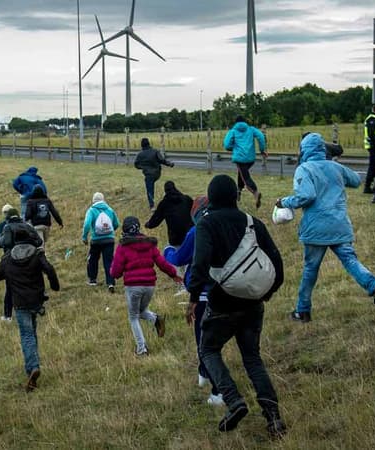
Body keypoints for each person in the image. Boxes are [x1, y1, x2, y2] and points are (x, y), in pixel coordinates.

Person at [187, 174, 285, 435]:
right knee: (253, 358)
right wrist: (269, 292)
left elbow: (199, 265)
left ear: (211, 197)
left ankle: (233, 400)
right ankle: (273, 417)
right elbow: (276, 261)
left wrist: (194, 297)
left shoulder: (206, 224)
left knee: (208, 350)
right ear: (235, 195)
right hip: (253, 303)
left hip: (221, 303)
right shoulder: (254, 222)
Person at [277, 133, 375, 322]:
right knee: (350, 261)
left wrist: (284, 202)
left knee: (310, 269)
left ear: (303, 150)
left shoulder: (304, 169)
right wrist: (335, 171)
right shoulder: (336, 167)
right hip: (339, 225)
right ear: (322, 149)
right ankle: (374, 286)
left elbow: (306, 196)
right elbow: (356, 180)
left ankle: (302, 310)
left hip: (316, 228)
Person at [164, 196, 225, 406]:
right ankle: (203, 372)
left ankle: (219, 392)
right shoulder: (225, 226)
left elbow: (180, 258)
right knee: (213, 338)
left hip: (201, 293)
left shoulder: (197, 231)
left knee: (204, 340)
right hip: (226, 290)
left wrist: (167, 252)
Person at [0, 234, 60, 392]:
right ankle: (32, 364)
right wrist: (55, 285)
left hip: (20, 302)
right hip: (36, 299)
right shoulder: (37, 254)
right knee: (32, 331)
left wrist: (8, 270)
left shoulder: (9, 258)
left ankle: (32, 367)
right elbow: (49, 268)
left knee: (27, 334)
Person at [110, 216, 180, 356]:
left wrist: (113, 273)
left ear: (124, 229)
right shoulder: (149, 244)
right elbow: (161, 263)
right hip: (150, 285)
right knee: (141, 311)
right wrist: (173, 274)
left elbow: (116, 271)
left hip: (133, 286)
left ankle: (142, 349)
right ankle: (156, 319)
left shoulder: (123, 246)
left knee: (133, 316)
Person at [145, 180, 193, 293]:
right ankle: (189, 284)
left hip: (175, 237)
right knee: (188, 259)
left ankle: (181, 285)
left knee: (174, 259)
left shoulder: (164, 203)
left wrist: (148, 224)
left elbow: (155, 220)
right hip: (189, 236)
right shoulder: (186, 199)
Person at [223, 116, 267, 208]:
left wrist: (232, 148)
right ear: (245, 122)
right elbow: (261, 137)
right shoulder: (251, 129)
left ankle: (255, 193)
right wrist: (262, 150)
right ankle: (238, 191)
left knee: (245, 178)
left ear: (236, 122)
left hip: (240, 158)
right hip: (251, 159)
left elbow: (227, 144)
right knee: (242, 173)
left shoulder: (233, 131)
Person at [81, 192, 120, 292]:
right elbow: (116, 224)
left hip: (96, 240)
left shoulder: (91, 210)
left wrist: (84, 237)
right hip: (109, 240)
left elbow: (86, 225)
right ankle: (110, 282)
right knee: (109, 261)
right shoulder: (110, 210)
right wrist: (110, 232)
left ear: (93, 200)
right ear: (103, 200)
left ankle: (93, 280)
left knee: (93, 259)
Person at [134, 138, 174, 210]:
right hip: (157, 173)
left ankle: (152, 206)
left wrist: (143, 167)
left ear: (141, 145)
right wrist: (170, 164)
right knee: (152, 182)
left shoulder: (140, 154)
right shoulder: (155, 151)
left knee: (150, 189)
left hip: (148, 174)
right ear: (149, 143)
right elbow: (162, 160)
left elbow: (136, 165)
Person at [24, 184, 63, 249]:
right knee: (43, 242)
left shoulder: (30, 202)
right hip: (46, 225)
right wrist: (60, 222)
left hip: (36, 225)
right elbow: (54, 212)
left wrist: (27, 220)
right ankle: (42, 256)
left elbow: (27, 215)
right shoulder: (47, 201)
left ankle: (40, 257)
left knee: (40, 244)